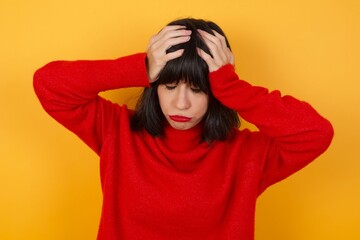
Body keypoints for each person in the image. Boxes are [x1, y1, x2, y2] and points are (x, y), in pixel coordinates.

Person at [33, 18, 334, 240]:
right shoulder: (117, 131)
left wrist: (231, 86)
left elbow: (316, 133)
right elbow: (48, 84)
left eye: (197, 89)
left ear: (215, 92)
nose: (181, 103)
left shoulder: (248, 154)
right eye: (169, 84)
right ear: (154, 85)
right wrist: (141, 66)